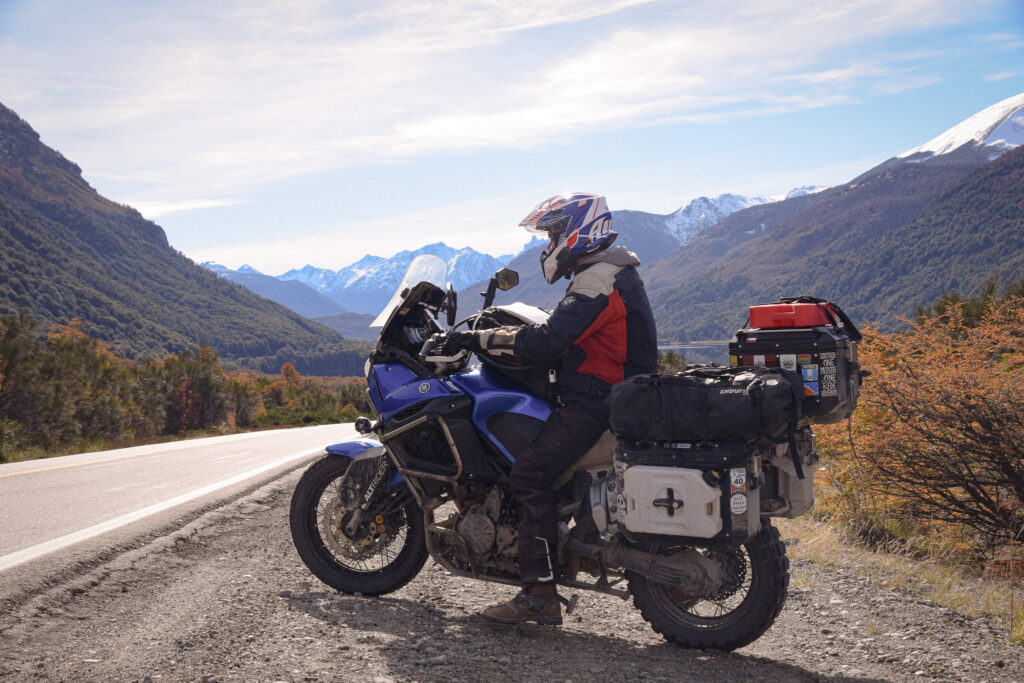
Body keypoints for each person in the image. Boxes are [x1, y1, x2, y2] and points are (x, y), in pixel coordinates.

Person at [442, 192, 658, 625]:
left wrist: (476, 339)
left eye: (554, 232)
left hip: (599, 402)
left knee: (528, 473)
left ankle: (540, 594)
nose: (549, 243)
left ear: (579, 230)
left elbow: (545, 343)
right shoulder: (608, 271)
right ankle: (566, 550)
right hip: (613, 396)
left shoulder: (598, 277)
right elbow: (570, 328)